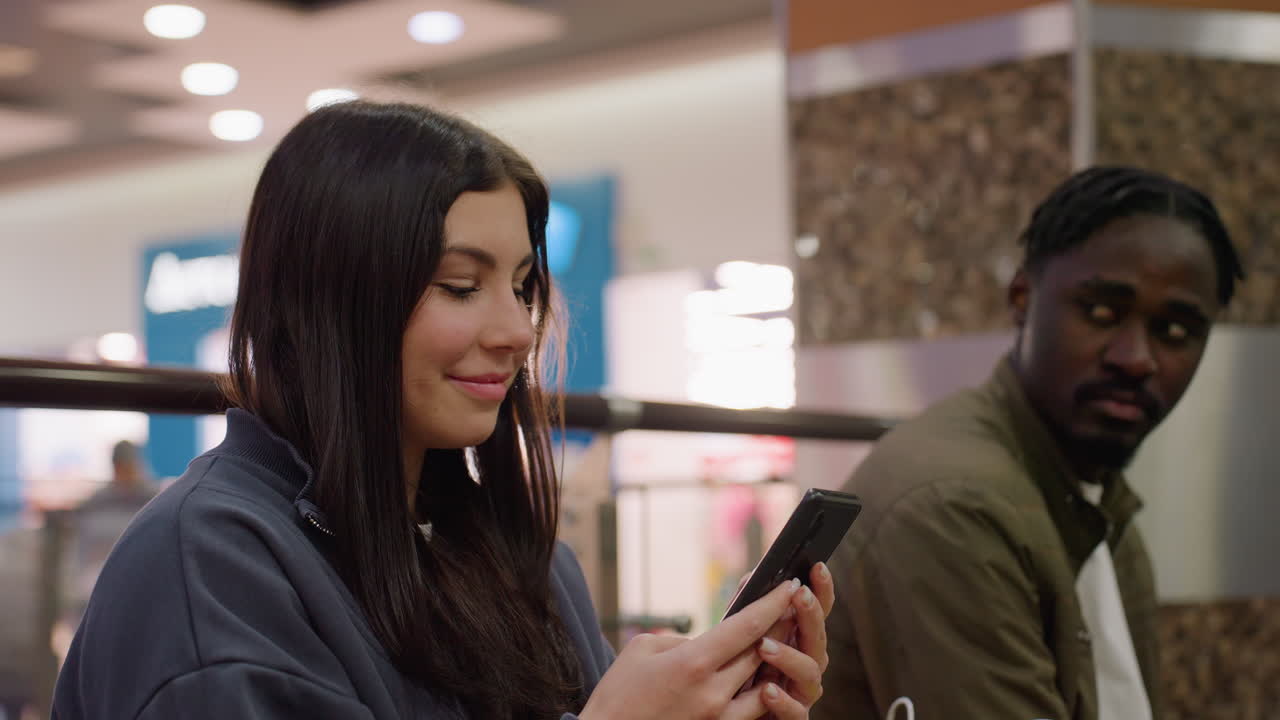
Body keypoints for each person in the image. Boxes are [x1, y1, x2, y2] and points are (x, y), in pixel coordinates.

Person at [53, 101, 834, 720]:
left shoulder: (517, 560)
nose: (515, 330)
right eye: (461, 286)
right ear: (334, 301)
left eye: (524, 286)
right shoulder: (209, 567)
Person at [814, 166, 1245, 720]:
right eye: (1101, 312)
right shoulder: (954, 504)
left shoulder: (1092, 495)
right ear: (1022, 296)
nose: (1136, 357)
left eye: (1176, 331)